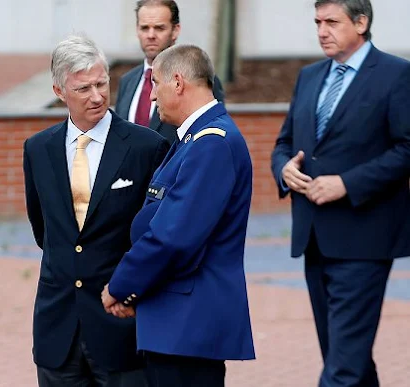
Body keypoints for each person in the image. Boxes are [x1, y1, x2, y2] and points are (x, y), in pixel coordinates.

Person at [270, 0, 410, 385]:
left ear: (361, 22)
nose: (321, 30)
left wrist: (348, 183)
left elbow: (407, 149)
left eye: (332, 22)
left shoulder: (397, 75)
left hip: (365, 240)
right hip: (315, 238)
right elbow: (284, 143)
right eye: (317, 21)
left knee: (341, 370)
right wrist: (284, 169)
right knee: (348, 359)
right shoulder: (310, 76)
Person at [102, 44, 255, 387]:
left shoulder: (211, 143)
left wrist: (121, 286)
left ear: (178, 82)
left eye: (155, 83)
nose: (152, 97)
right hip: (177, 321)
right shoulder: (196, 139)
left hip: (189, 323)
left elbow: (173, 236)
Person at [23, 34, 169, 387]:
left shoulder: (146, 146)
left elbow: (154, 234)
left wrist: (130, 293)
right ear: (59, 92)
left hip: (121, 326)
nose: (97, 96)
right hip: (58, 329)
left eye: (102, 83)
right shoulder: (38, 149)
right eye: (83, 88)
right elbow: (46, 232)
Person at [115, 0, 225, 145]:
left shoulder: (198, 79)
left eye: (159, 28)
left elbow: (209, 135)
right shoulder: (127, 81)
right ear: (137, 30)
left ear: (175, 30)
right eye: (144, 28)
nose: (151, 35)